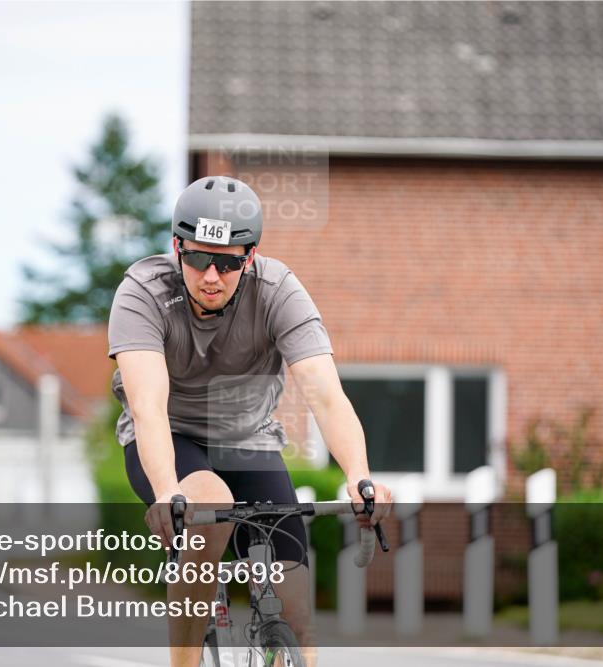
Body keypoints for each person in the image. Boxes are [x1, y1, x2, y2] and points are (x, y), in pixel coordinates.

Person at [107, 175, 393, 667]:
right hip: (170, 436)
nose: (211, 275)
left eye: (228, 262)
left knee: (298, 610)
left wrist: (359, 477)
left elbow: (325, 394)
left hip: (248, 439)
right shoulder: (143, 293)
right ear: (177, 247)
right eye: (197, 258)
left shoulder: (279, 291)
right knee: (209, 506)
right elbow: (149, 405)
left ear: (250, 258)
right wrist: (166, 492)